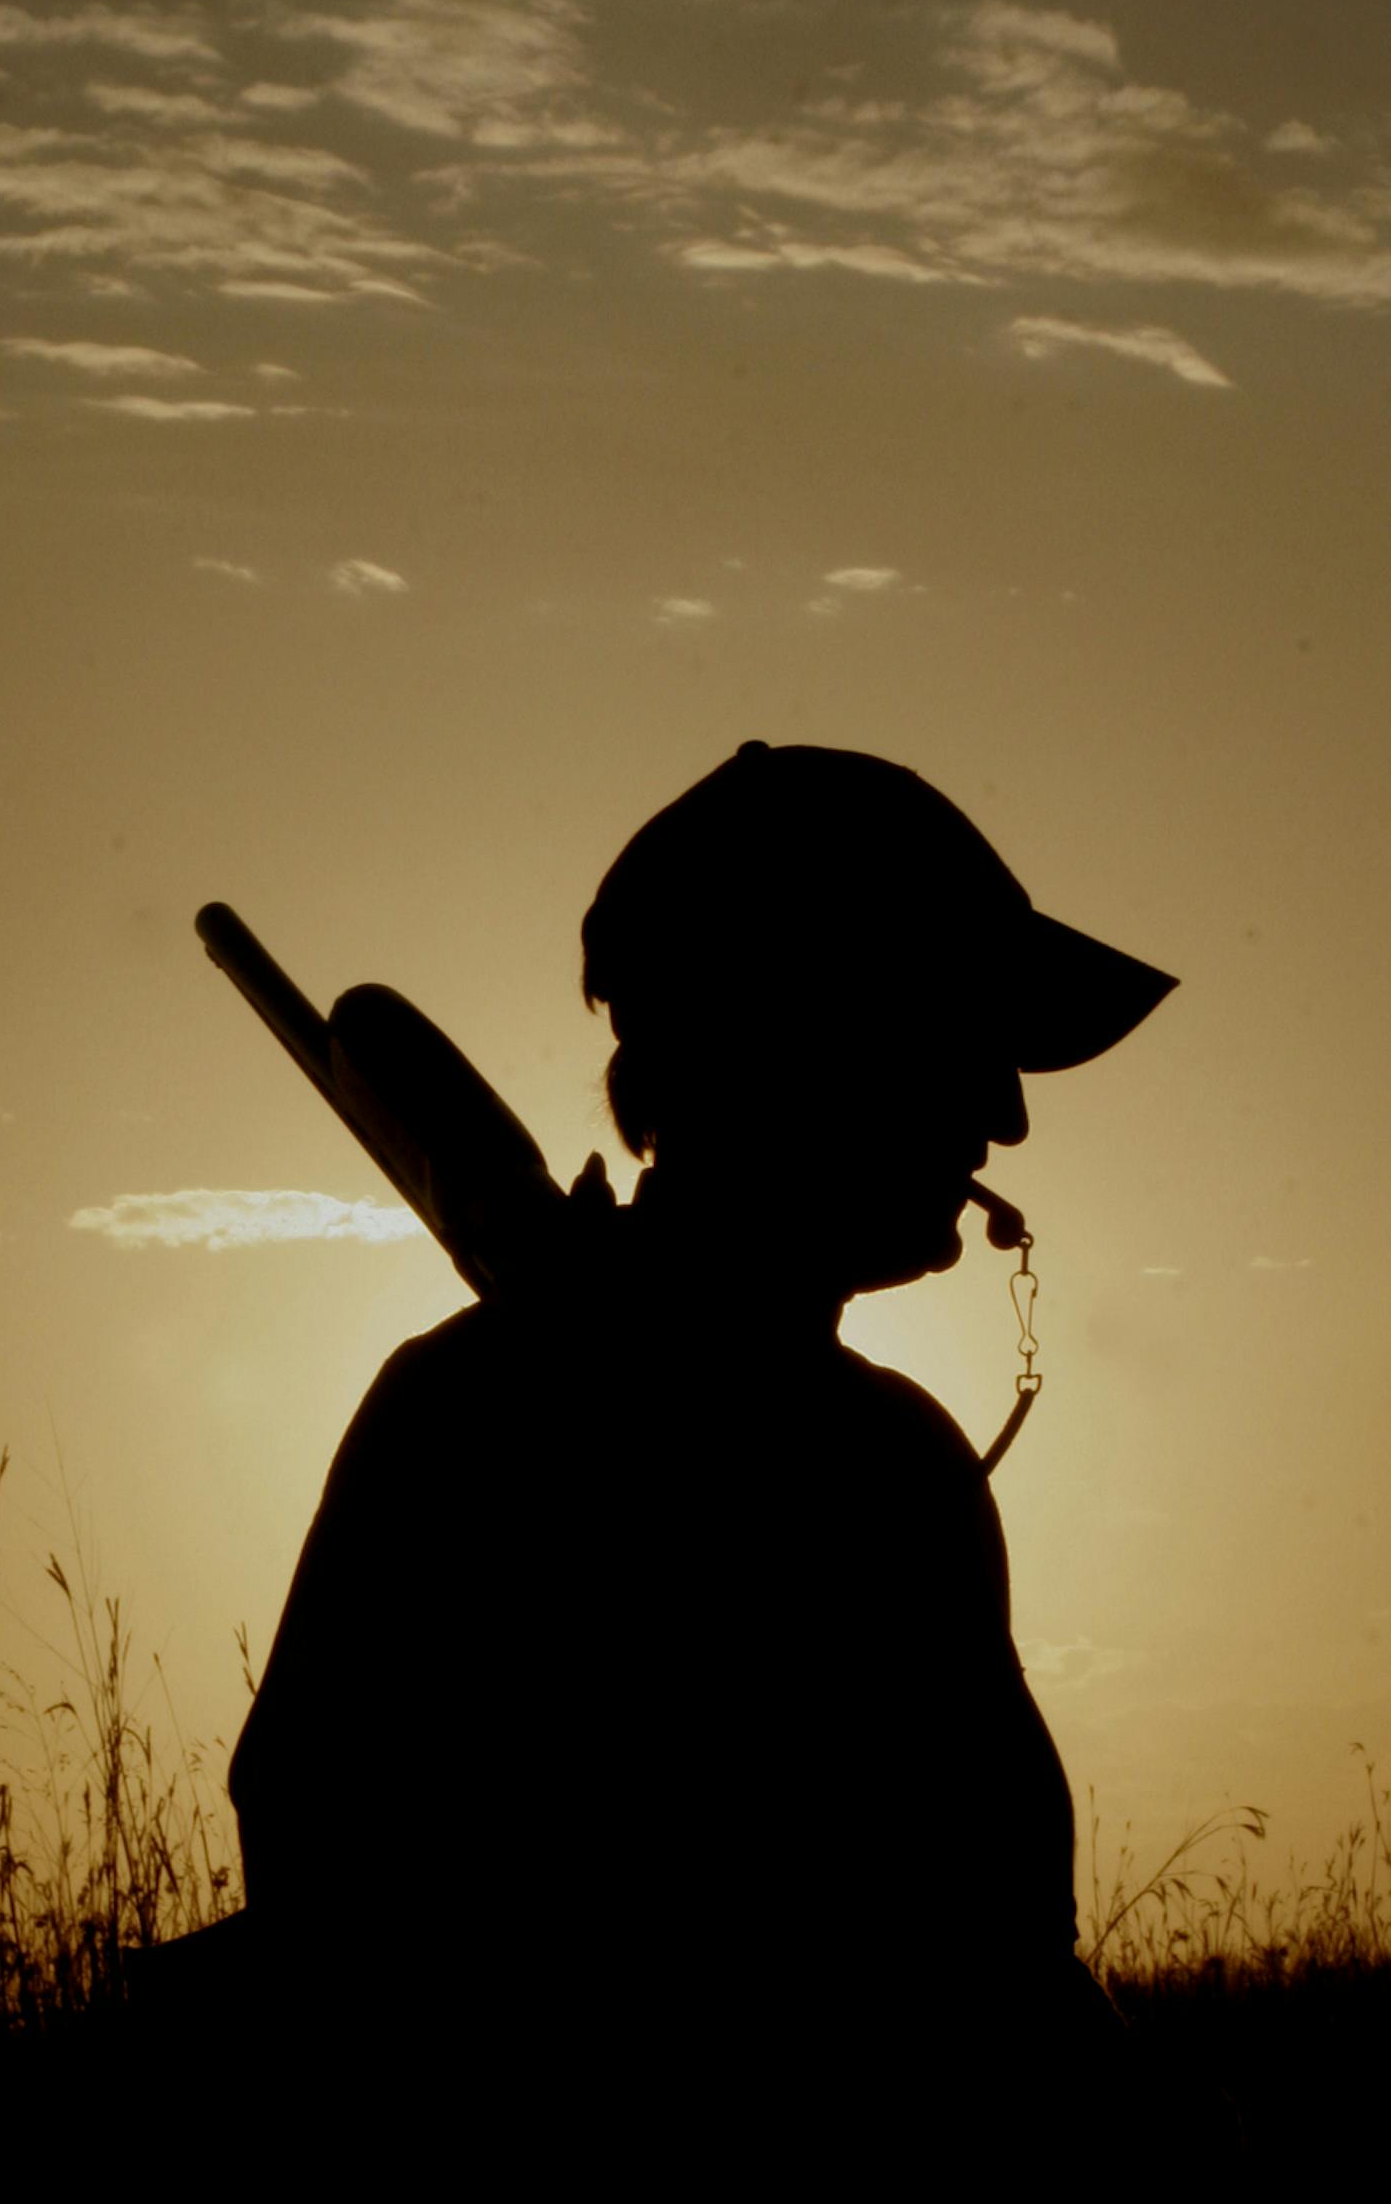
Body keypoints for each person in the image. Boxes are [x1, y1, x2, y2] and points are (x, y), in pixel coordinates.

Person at [228, 742, 1174, 2062]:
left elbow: (1003, 1962)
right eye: (959, 1038)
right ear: (798, 1041)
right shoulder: (477, 1423)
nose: (1005, 1116)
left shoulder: (898, 1458)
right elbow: (335, 1897)